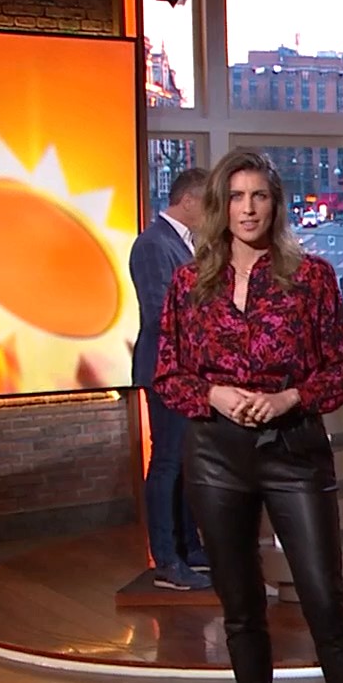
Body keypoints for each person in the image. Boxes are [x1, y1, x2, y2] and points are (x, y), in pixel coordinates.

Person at [153, 149, 343, 683]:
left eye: (259, 196)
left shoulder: (310, 278)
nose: (248, 208)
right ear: (219, 207)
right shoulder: (189, 284)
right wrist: (216, 395)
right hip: (216, 455)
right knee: (240, 608)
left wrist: (289, 398)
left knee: (323, 601)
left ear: (275, 205)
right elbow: (167, 372)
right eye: (236, 197)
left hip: (292, 450)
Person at [129, 167, 211, 591]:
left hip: (188, 373)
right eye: (210, 203)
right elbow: (160, 311)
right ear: (189, 200)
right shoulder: (152, 245)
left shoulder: (182, 244)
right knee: (166, 463)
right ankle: (166, 560)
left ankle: (189, 548)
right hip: (166, 372)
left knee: (184, 462)